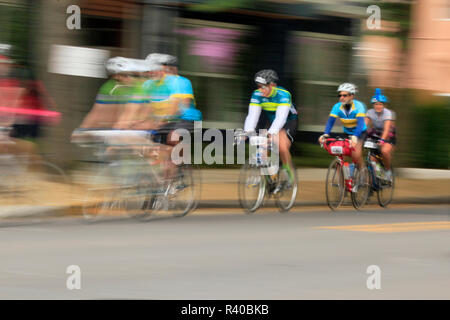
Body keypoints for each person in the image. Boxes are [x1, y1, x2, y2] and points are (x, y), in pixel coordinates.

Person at [243, 69, 298, 183]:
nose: (260, 90)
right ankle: (267, 176)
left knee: (282, 146)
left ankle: (288, 172)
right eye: (259, 86)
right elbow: (252, 116)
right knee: (263, 146)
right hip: (273, 121)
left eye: (263, 87)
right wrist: (247, 131)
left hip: (288, 121)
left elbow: (281, 117)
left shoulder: (283, 94)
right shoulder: (257, 95)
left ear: (272, 85)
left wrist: (271, 133)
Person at [318, 83, 367, 173]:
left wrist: (355, 136)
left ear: (352, 96)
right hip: (347, 133)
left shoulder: (358, 106)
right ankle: (342, 184)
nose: (341, 97)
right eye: (340, 95)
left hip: (360, 132)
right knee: (340, 157)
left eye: (344, 95)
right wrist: (325, 134)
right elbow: (330, 122)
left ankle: (363, 172)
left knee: (355, 154)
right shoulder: (337, 106)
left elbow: (360, 123)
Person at [365, 88, 396, 181]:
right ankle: (377, 178)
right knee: (372, 158)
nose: (378, 106)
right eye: (376, 104)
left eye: (380, 104)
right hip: (376, 133)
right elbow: (364, 125)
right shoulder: (370, 112)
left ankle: (388, 171)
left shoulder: (388, 113)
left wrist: (382, 140)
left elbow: (386, 129)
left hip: (388, 134)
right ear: (373, 105)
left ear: (384, 105)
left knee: (384, 151)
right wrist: (358, 135)